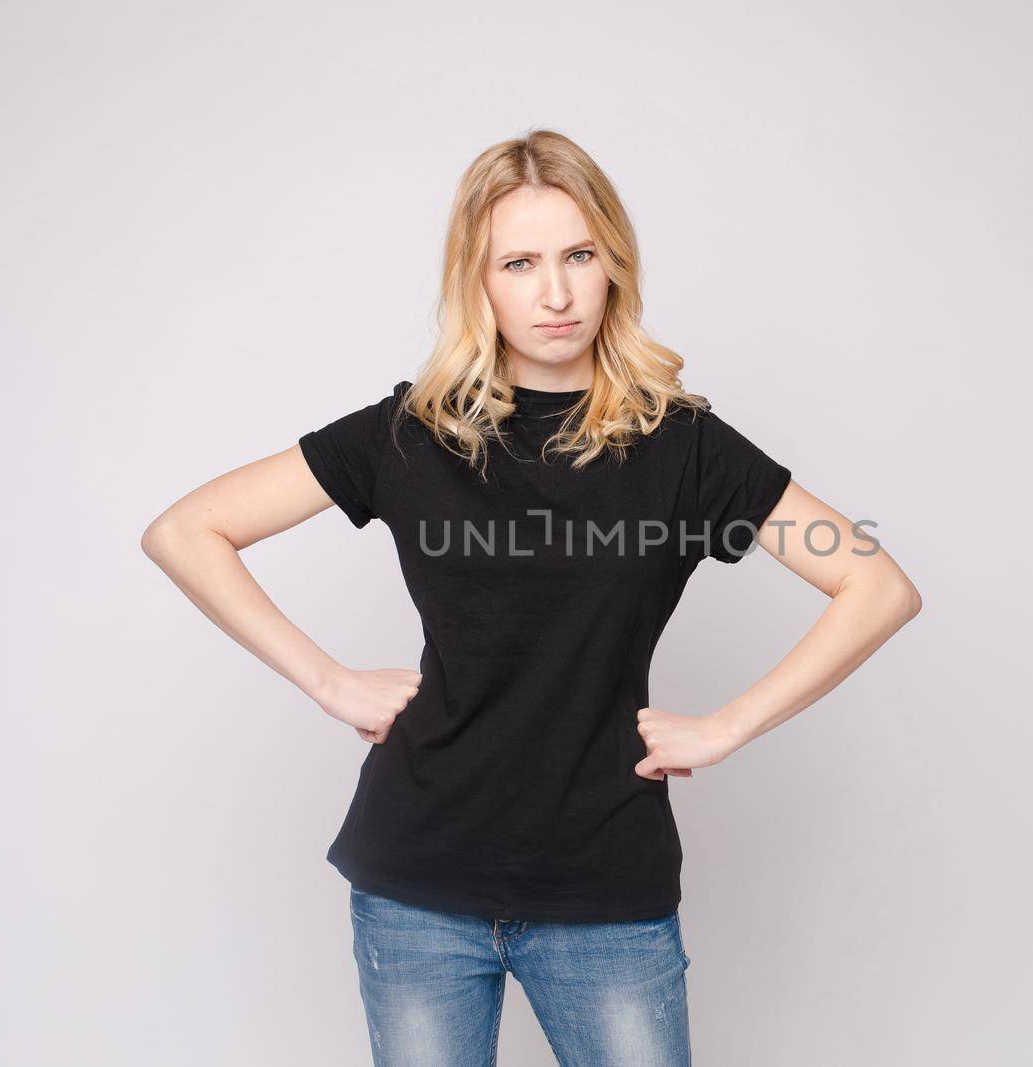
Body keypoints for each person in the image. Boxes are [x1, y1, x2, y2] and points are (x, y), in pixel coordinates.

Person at [141, 128, 922, 1066]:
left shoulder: (682, 447)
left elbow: (876, 584)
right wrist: (327, 680)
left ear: (613, 267)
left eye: (578, 256)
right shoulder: (410, 435)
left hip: (605, 888)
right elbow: (185, 531)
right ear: (479, 280)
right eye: (520, 262)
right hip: (417, 883)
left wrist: (728, 727)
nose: (554, 293)